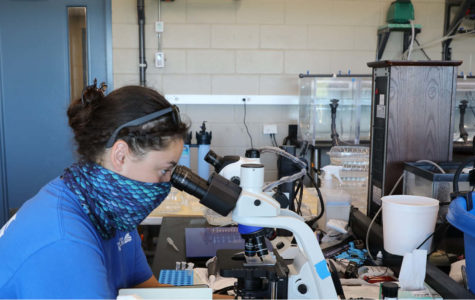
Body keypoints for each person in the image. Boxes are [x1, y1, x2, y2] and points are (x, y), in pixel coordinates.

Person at [0, 83, 188, 298]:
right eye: (164, 170)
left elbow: (145, 289)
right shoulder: (66, 242)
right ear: (120, 155)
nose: (167, 182)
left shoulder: (112, 210)